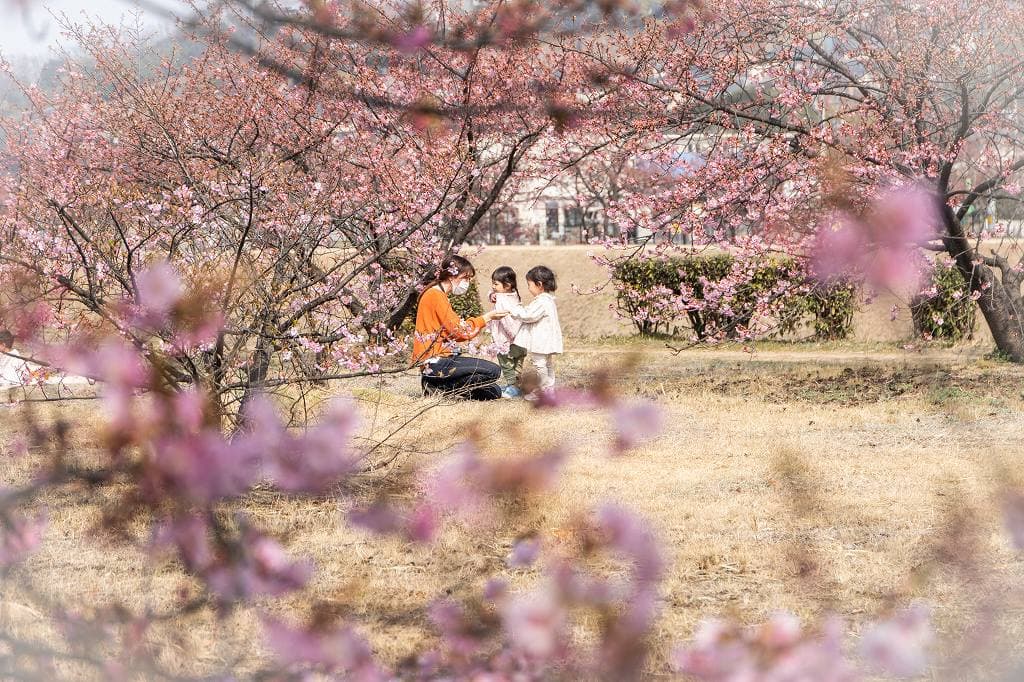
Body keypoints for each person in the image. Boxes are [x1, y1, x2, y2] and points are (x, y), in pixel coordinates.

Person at [413, 255, 508, 400]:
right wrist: (487, 317)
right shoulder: (435, 296)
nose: (467, 282)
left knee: (493, 391)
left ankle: (439, 385)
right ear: (452, 276)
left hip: (440, 360)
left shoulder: (436, 294)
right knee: (493, 371)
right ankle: (437, 386)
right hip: (436, 362)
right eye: (466, 278)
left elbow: (453, 328)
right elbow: (460, 332)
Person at [507, 265, 563, 397]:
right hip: (546, 339)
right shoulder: (546, 300)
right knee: (547, 364)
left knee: (540, 365)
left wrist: (514, 310)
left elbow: (529, 315)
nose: (528, 288)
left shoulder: (542, 301)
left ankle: (543, 391)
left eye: (529, 285)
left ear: (539, 284)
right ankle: (548, 389)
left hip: (541, 340)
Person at [487, 266, 526, 399]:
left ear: (507, 285)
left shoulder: (502, 300)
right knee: (518, 363)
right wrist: (492, 295)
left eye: (495, 284)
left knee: (506, 364)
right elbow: (493, 295)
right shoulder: (514, 294)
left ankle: (512, 387)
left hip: (507, 340)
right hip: (521, 338)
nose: (493, 286)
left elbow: (506, 322)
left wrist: (512, 337)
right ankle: (517, 386)